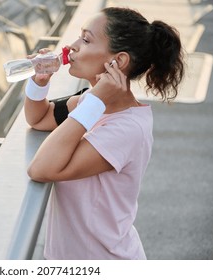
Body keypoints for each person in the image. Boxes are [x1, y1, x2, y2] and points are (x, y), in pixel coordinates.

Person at [23, 7, 185, 259]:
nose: (73, 46)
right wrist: (39, 82)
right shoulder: (91, 100)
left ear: (118, 61)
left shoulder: (127, 128)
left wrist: (95, 102)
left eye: (86, 40)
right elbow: (40, 118)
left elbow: (41, 168)